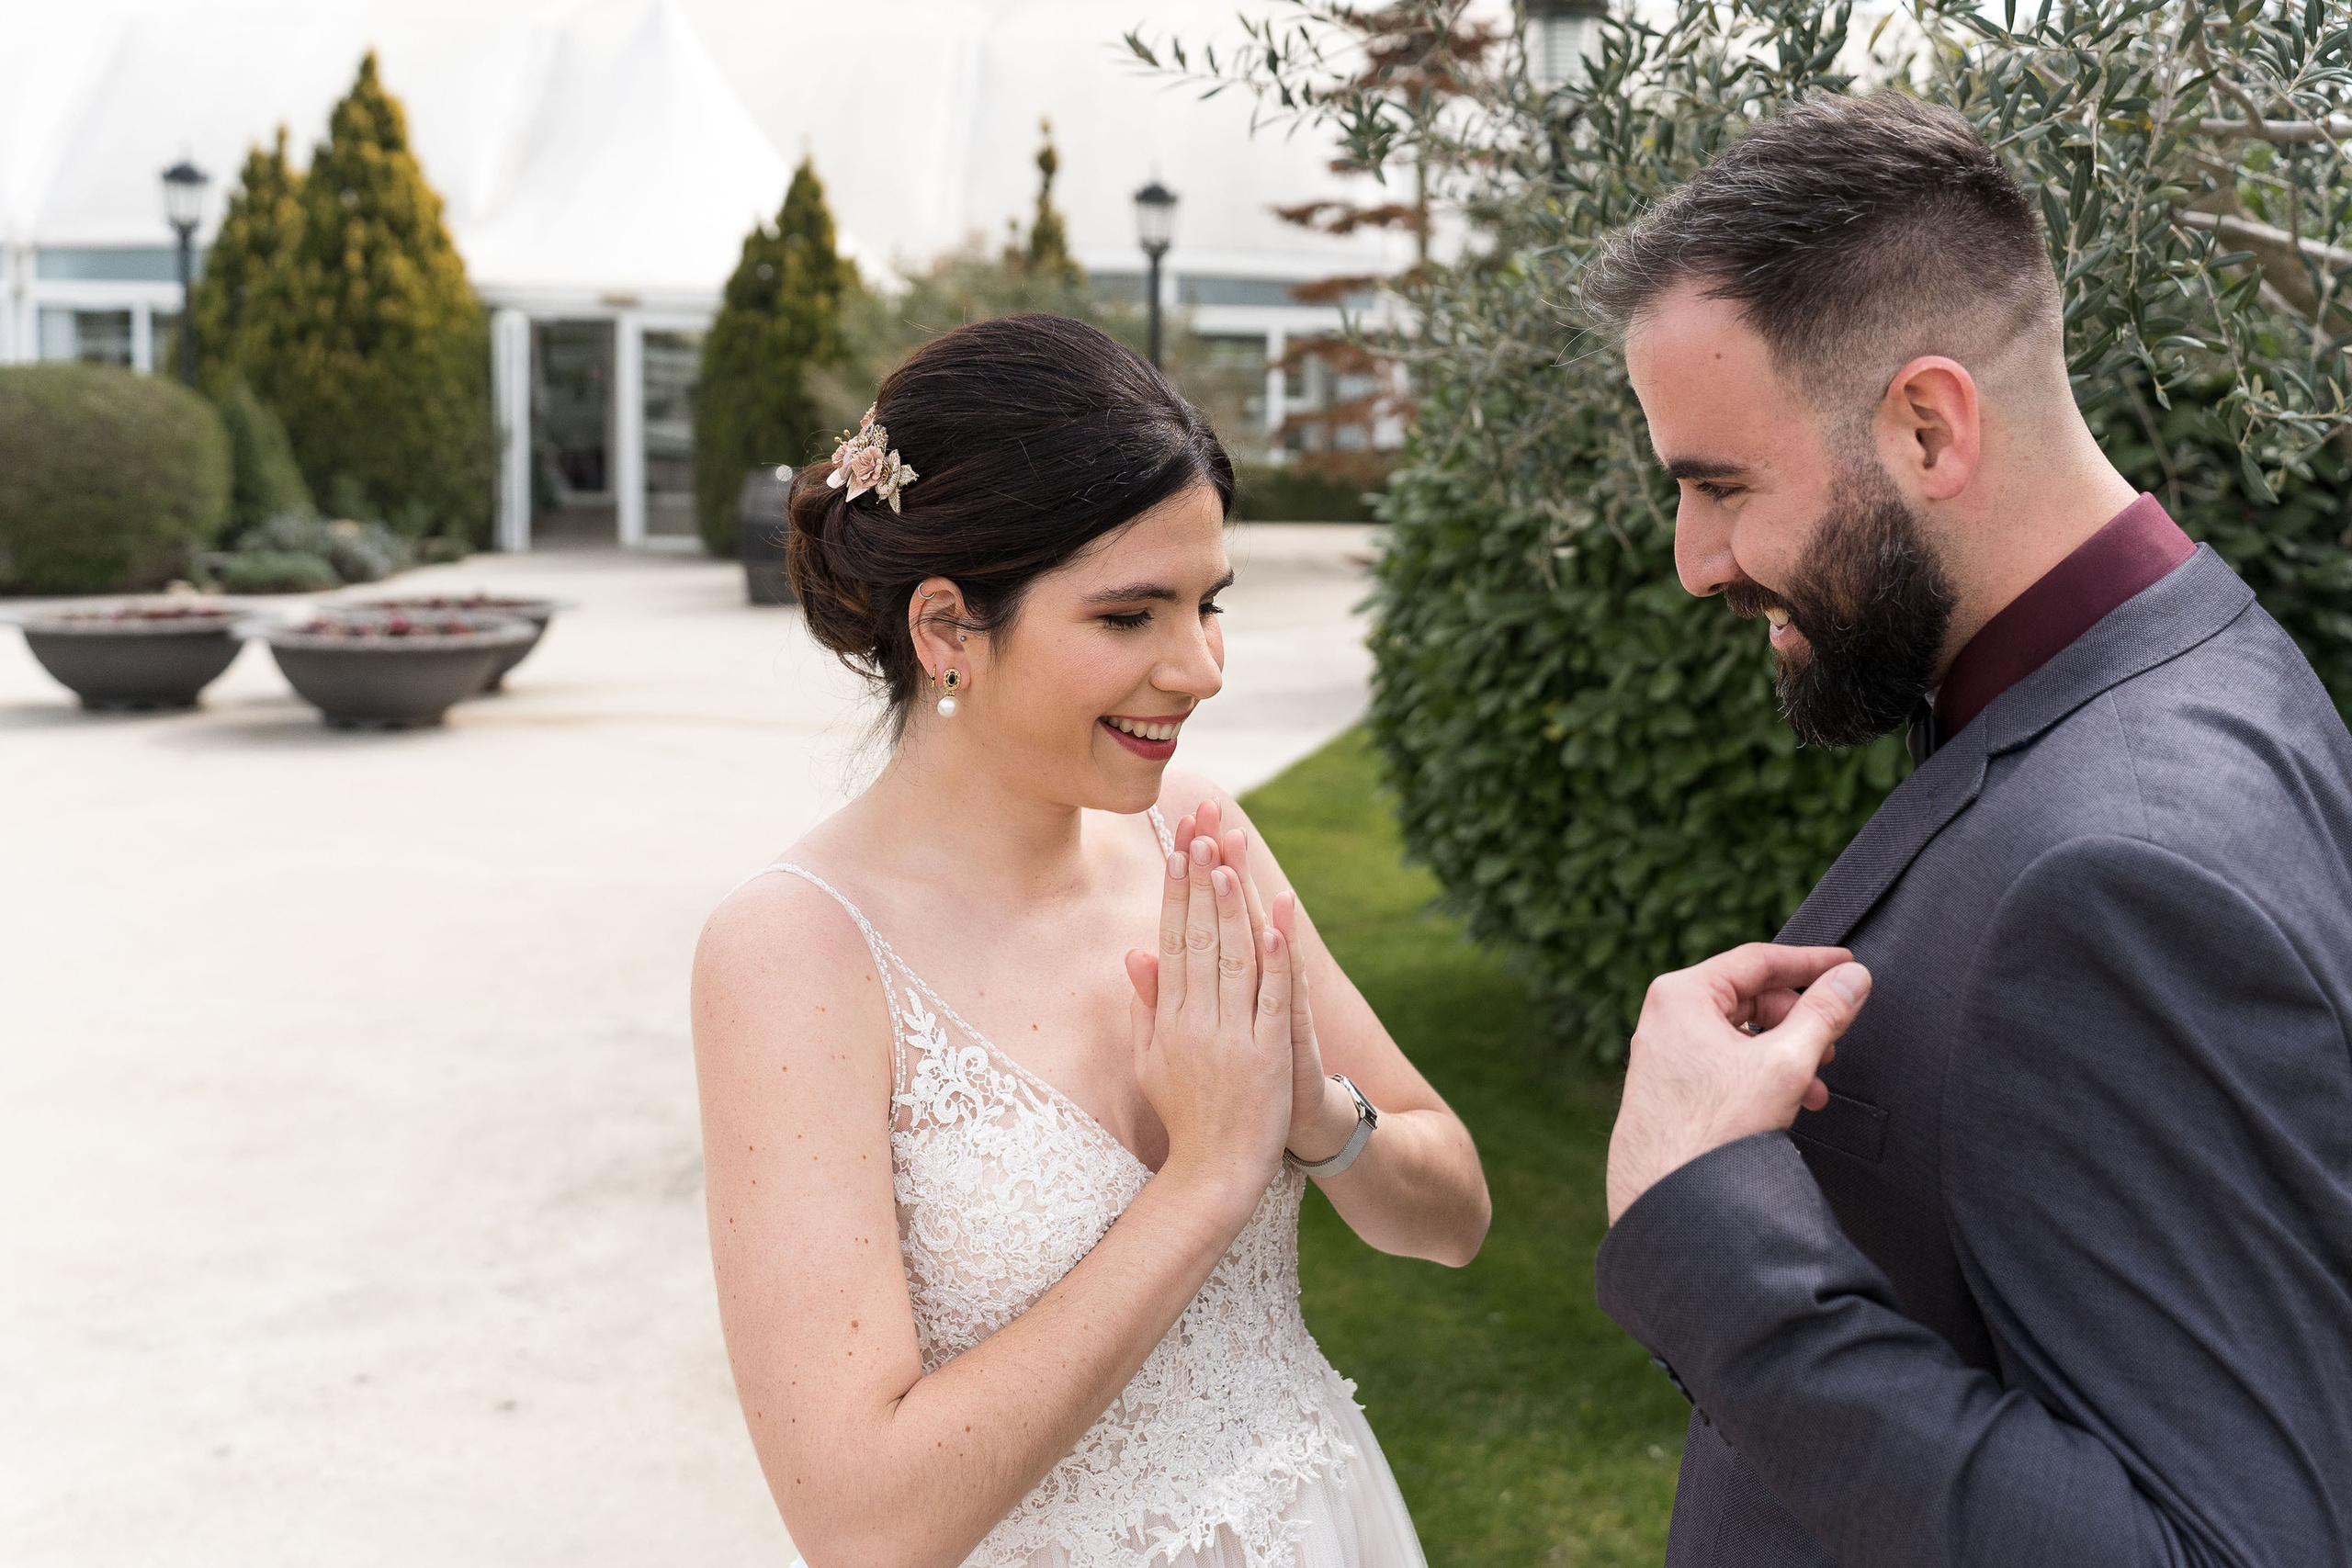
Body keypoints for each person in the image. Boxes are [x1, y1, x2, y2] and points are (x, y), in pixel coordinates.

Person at [1581, 93, 2352, 1565]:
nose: (1695, 562)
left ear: (1928, 428)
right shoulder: (2192, 657)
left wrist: (1707, 1221)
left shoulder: (2116, 873)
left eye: (1720, 485)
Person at [691, 313, 1490, 1568]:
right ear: (946, 629)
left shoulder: (1197, 842)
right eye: (1130, 617)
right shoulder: (795, 955)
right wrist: (1206, 1180)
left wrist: (1314, 1114)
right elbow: (862, 1525)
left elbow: (1453, 1216)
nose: (1201, 668)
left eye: (1207, 605)